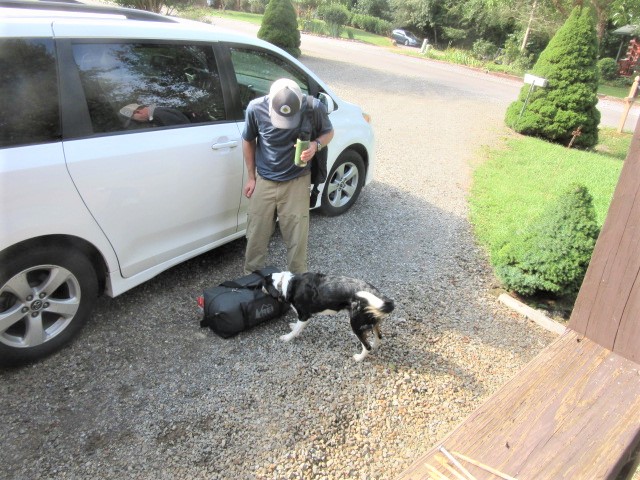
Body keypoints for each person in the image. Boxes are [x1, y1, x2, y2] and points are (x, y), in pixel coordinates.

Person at [242, 78, 334, 275]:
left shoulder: (313, 107)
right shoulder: (255, 108)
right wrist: (251, 177)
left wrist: (315, 145)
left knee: (297, 239)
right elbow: (248, 140)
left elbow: (328, 132)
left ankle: (298, 282)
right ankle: (251, 281)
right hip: (264, 180)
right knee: (256, 236)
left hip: (297, 181)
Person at [119, 103, 191, 127]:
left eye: (134, 118)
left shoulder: (160, 115)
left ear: (138, 112)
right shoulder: (157, 113)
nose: (137, 121)